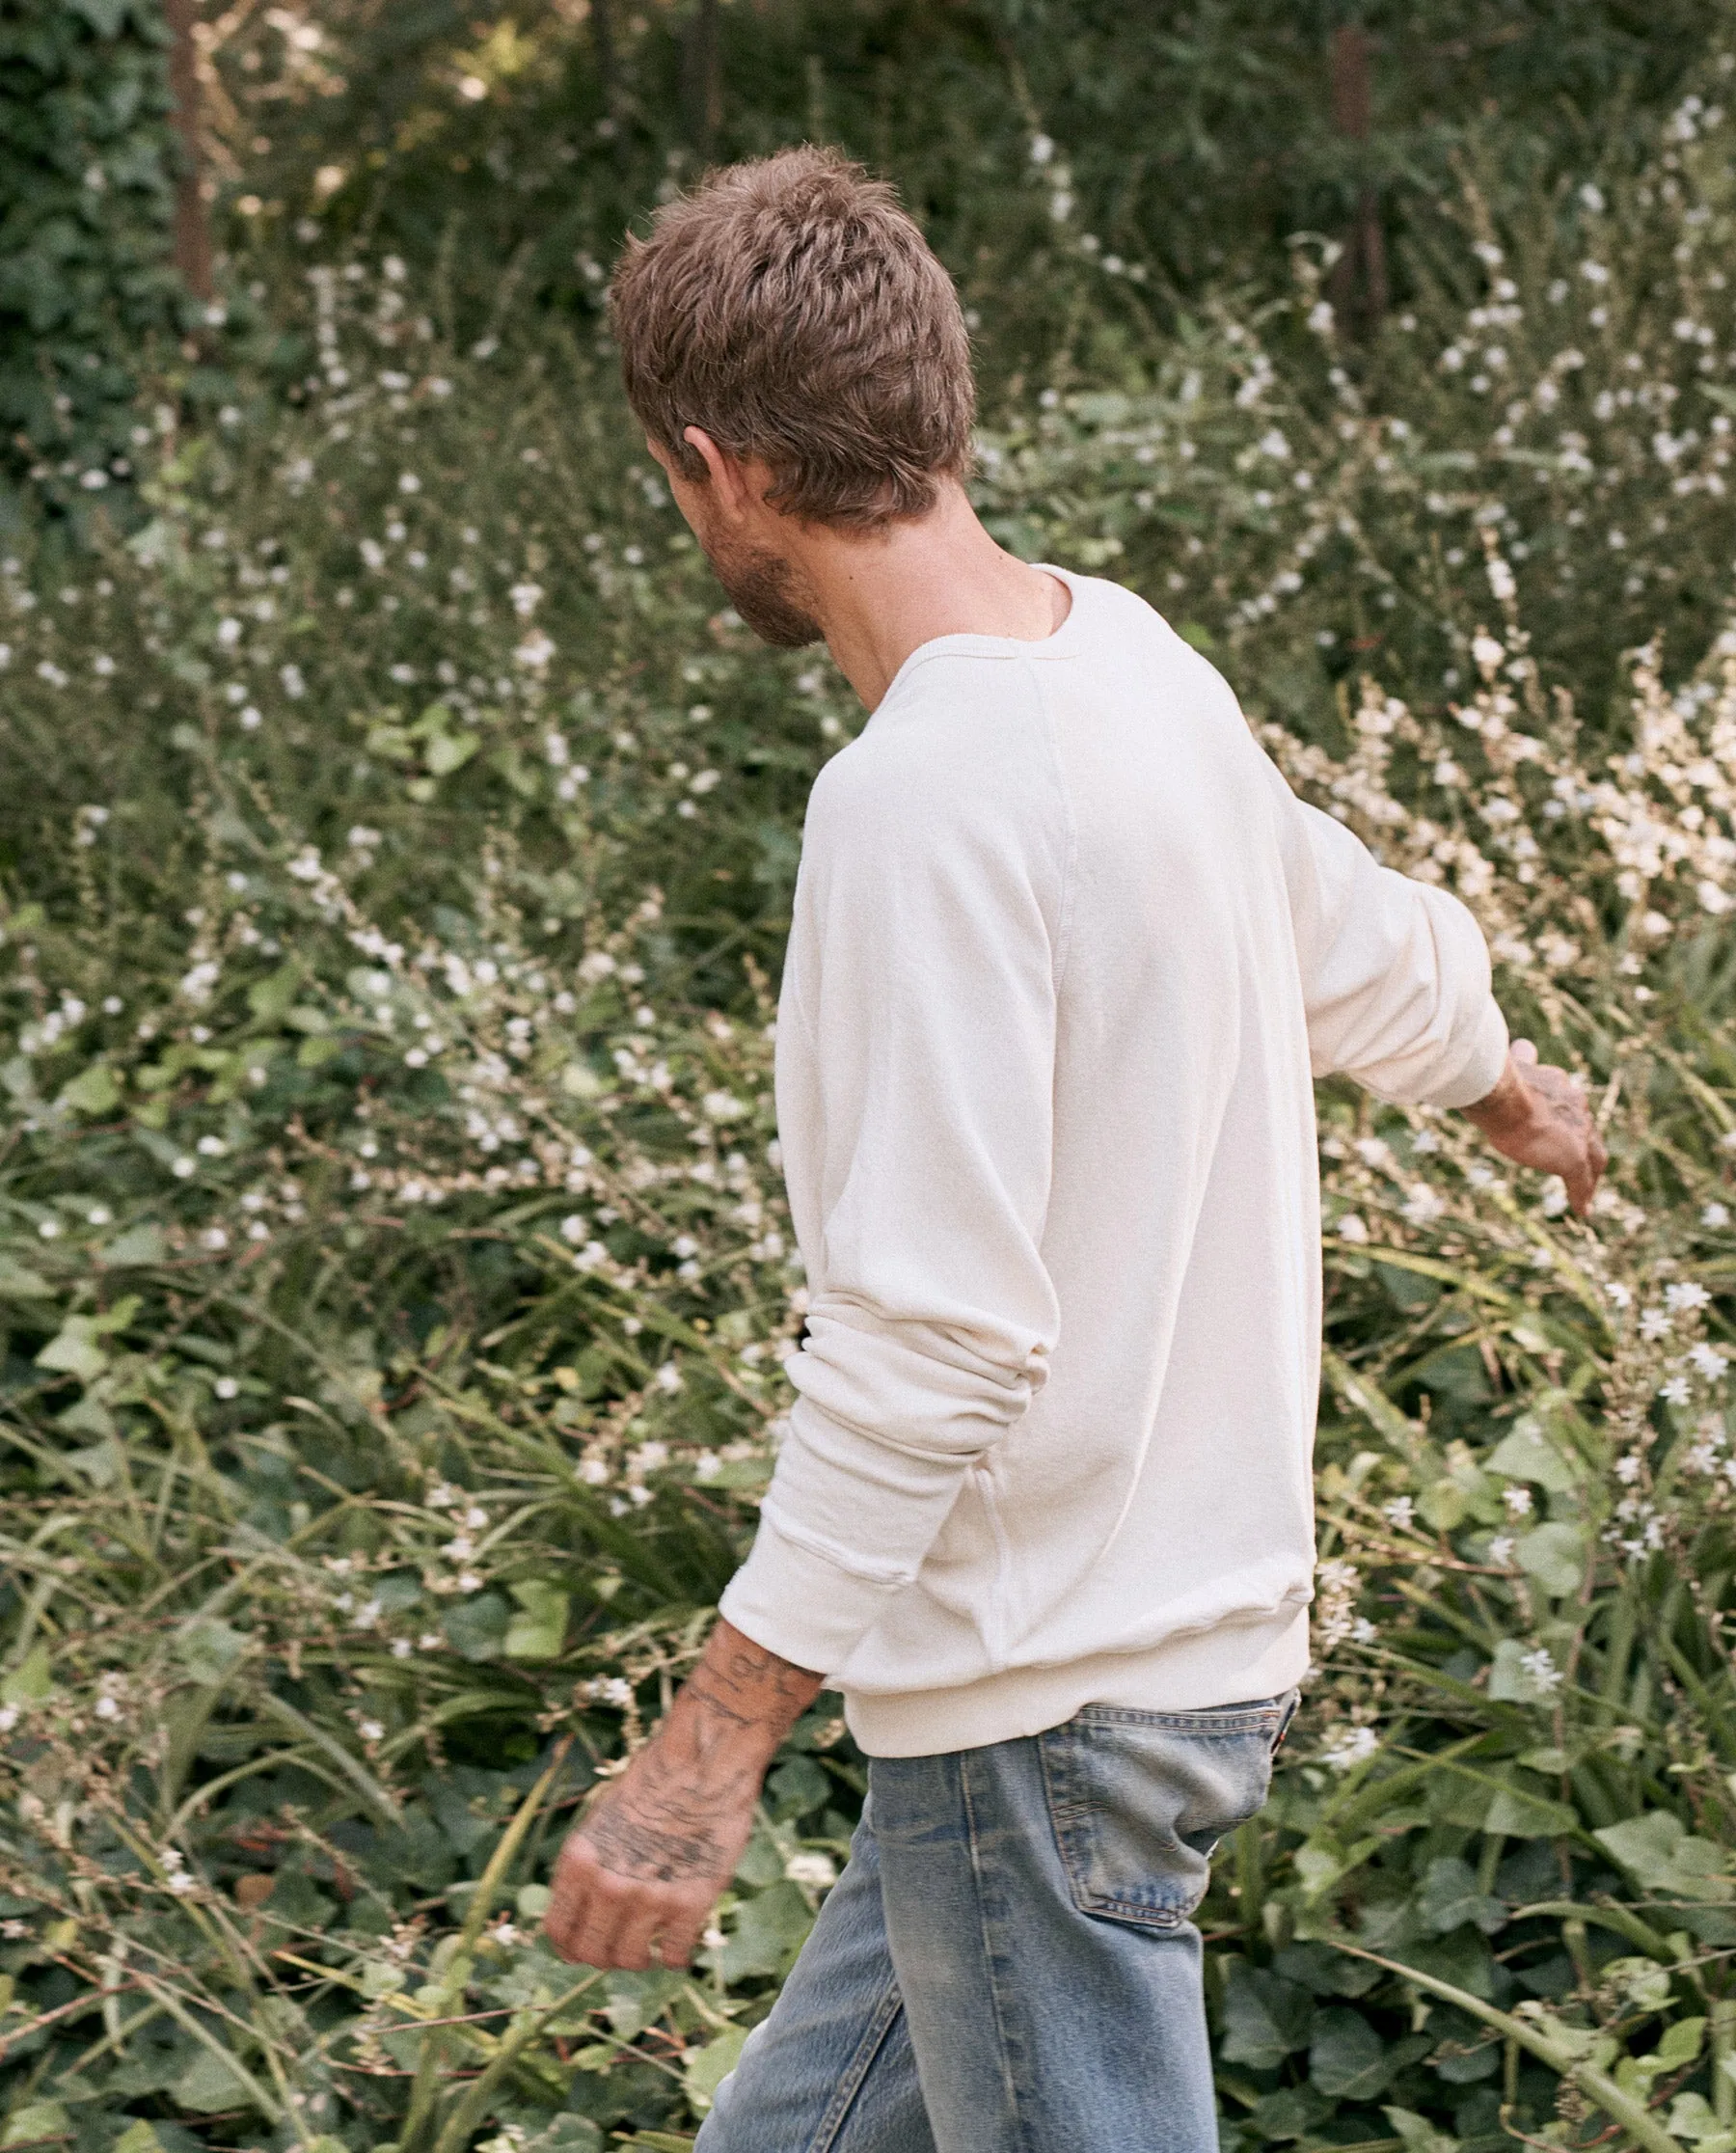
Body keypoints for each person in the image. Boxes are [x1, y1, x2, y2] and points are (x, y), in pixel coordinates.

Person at [543, 146, 1606, 2152]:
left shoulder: (917, 800)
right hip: (1108, 1674)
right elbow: (1339, 919)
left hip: (1055, 1700)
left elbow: (936, 1342)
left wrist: (708, 1748)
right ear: (935, 398)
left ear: (715, 466)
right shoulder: (1121, 659)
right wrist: (1501, 1083)